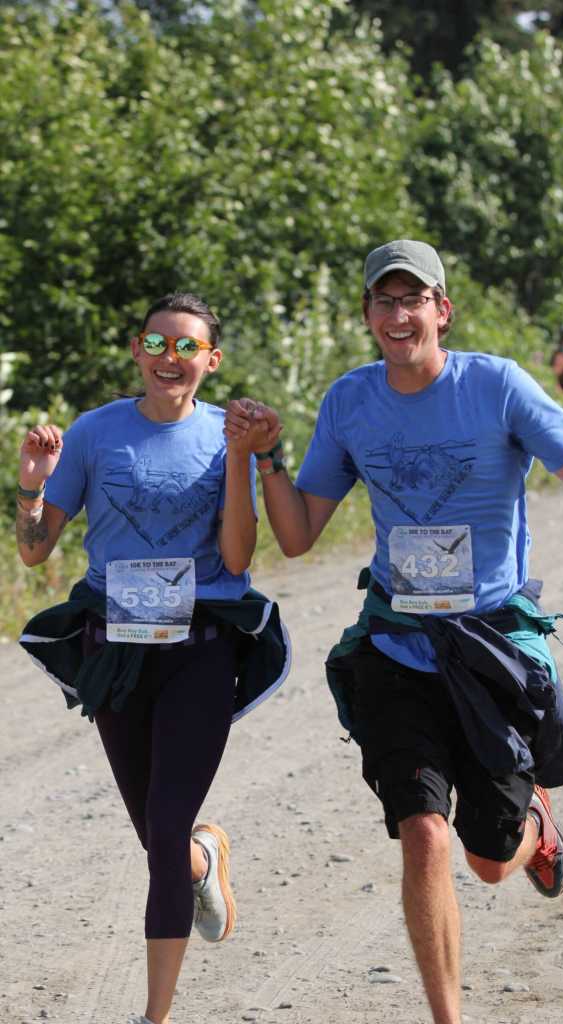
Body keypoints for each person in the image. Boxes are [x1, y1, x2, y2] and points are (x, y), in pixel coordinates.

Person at [224, 240, 563, 1024]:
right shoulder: (350, 401)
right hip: (396, 644)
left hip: (489, 646)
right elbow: (296, 536)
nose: (399, 315)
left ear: (441, 310)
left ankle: (535, 829)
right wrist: (269, 459)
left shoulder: (494, 385)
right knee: (422, 832)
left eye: (413, 299)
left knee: (488, 861)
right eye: (383, 301)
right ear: (367, 314)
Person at [16, 293, 291, 1024]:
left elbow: (238, 558)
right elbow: (35, 551)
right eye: (158, 343)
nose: (171, 358)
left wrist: (241, 457)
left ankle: (154, 1016)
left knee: (162, 832)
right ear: (137, 350)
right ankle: (204, 860)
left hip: (200, 652)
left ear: (212, 360)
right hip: (114, 654)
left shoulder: (224, 437)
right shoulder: (95, 432)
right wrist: (32, 486)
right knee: (160, 838)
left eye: (187, 346)